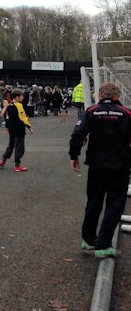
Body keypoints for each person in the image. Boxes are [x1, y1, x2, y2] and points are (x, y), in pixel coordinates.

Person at [69, 82, 131, 258]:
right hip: (120, 166)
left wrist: (74, 156)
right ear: (118, 96)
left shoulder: (90, 111)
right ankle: (103, 245)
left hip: (96, 165)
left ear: (100, 95)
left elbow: (77, 136)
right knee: (115, 204)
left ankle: (88, 240)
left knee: (94, 202)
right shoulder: (127, 113)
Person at [0, 88, 33, 171]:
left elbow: (6, 117)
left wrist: (7, 127)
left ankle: (3, 160)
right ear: (17, 97)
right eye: (21, 96)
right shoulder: (19, 105)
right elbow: (23, 118)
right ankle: (17, 166)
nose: (23, 98)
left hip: (11, 129)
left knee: (11, 145)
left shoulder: (9, 105)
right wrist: (29, 127)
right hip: (19, 129)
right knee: (19, 147)